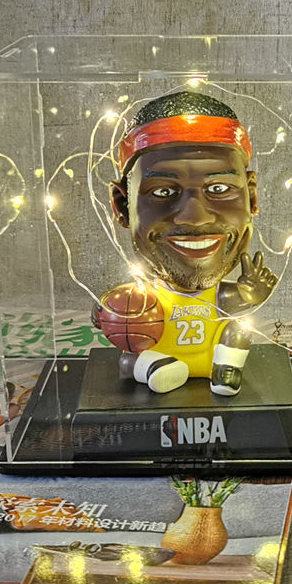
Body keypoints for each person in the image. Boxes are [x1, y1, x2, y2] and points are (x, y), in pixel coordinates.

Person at [94, 91, 277, 396]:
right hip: (159, 351)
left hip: (210, 357)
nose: (195, 218)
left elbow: (236, 302)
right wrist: (109, 311)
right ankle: (155, 367)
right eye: (163, 192)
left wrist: (249, 293)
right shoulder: (143, 298)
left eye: (219, 188)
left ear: (252, 197)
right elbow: (110, 311)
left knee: (238, 328)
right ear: (122, 207)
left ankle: (226, 369)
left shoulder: (217, 297)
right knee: (133, 357)